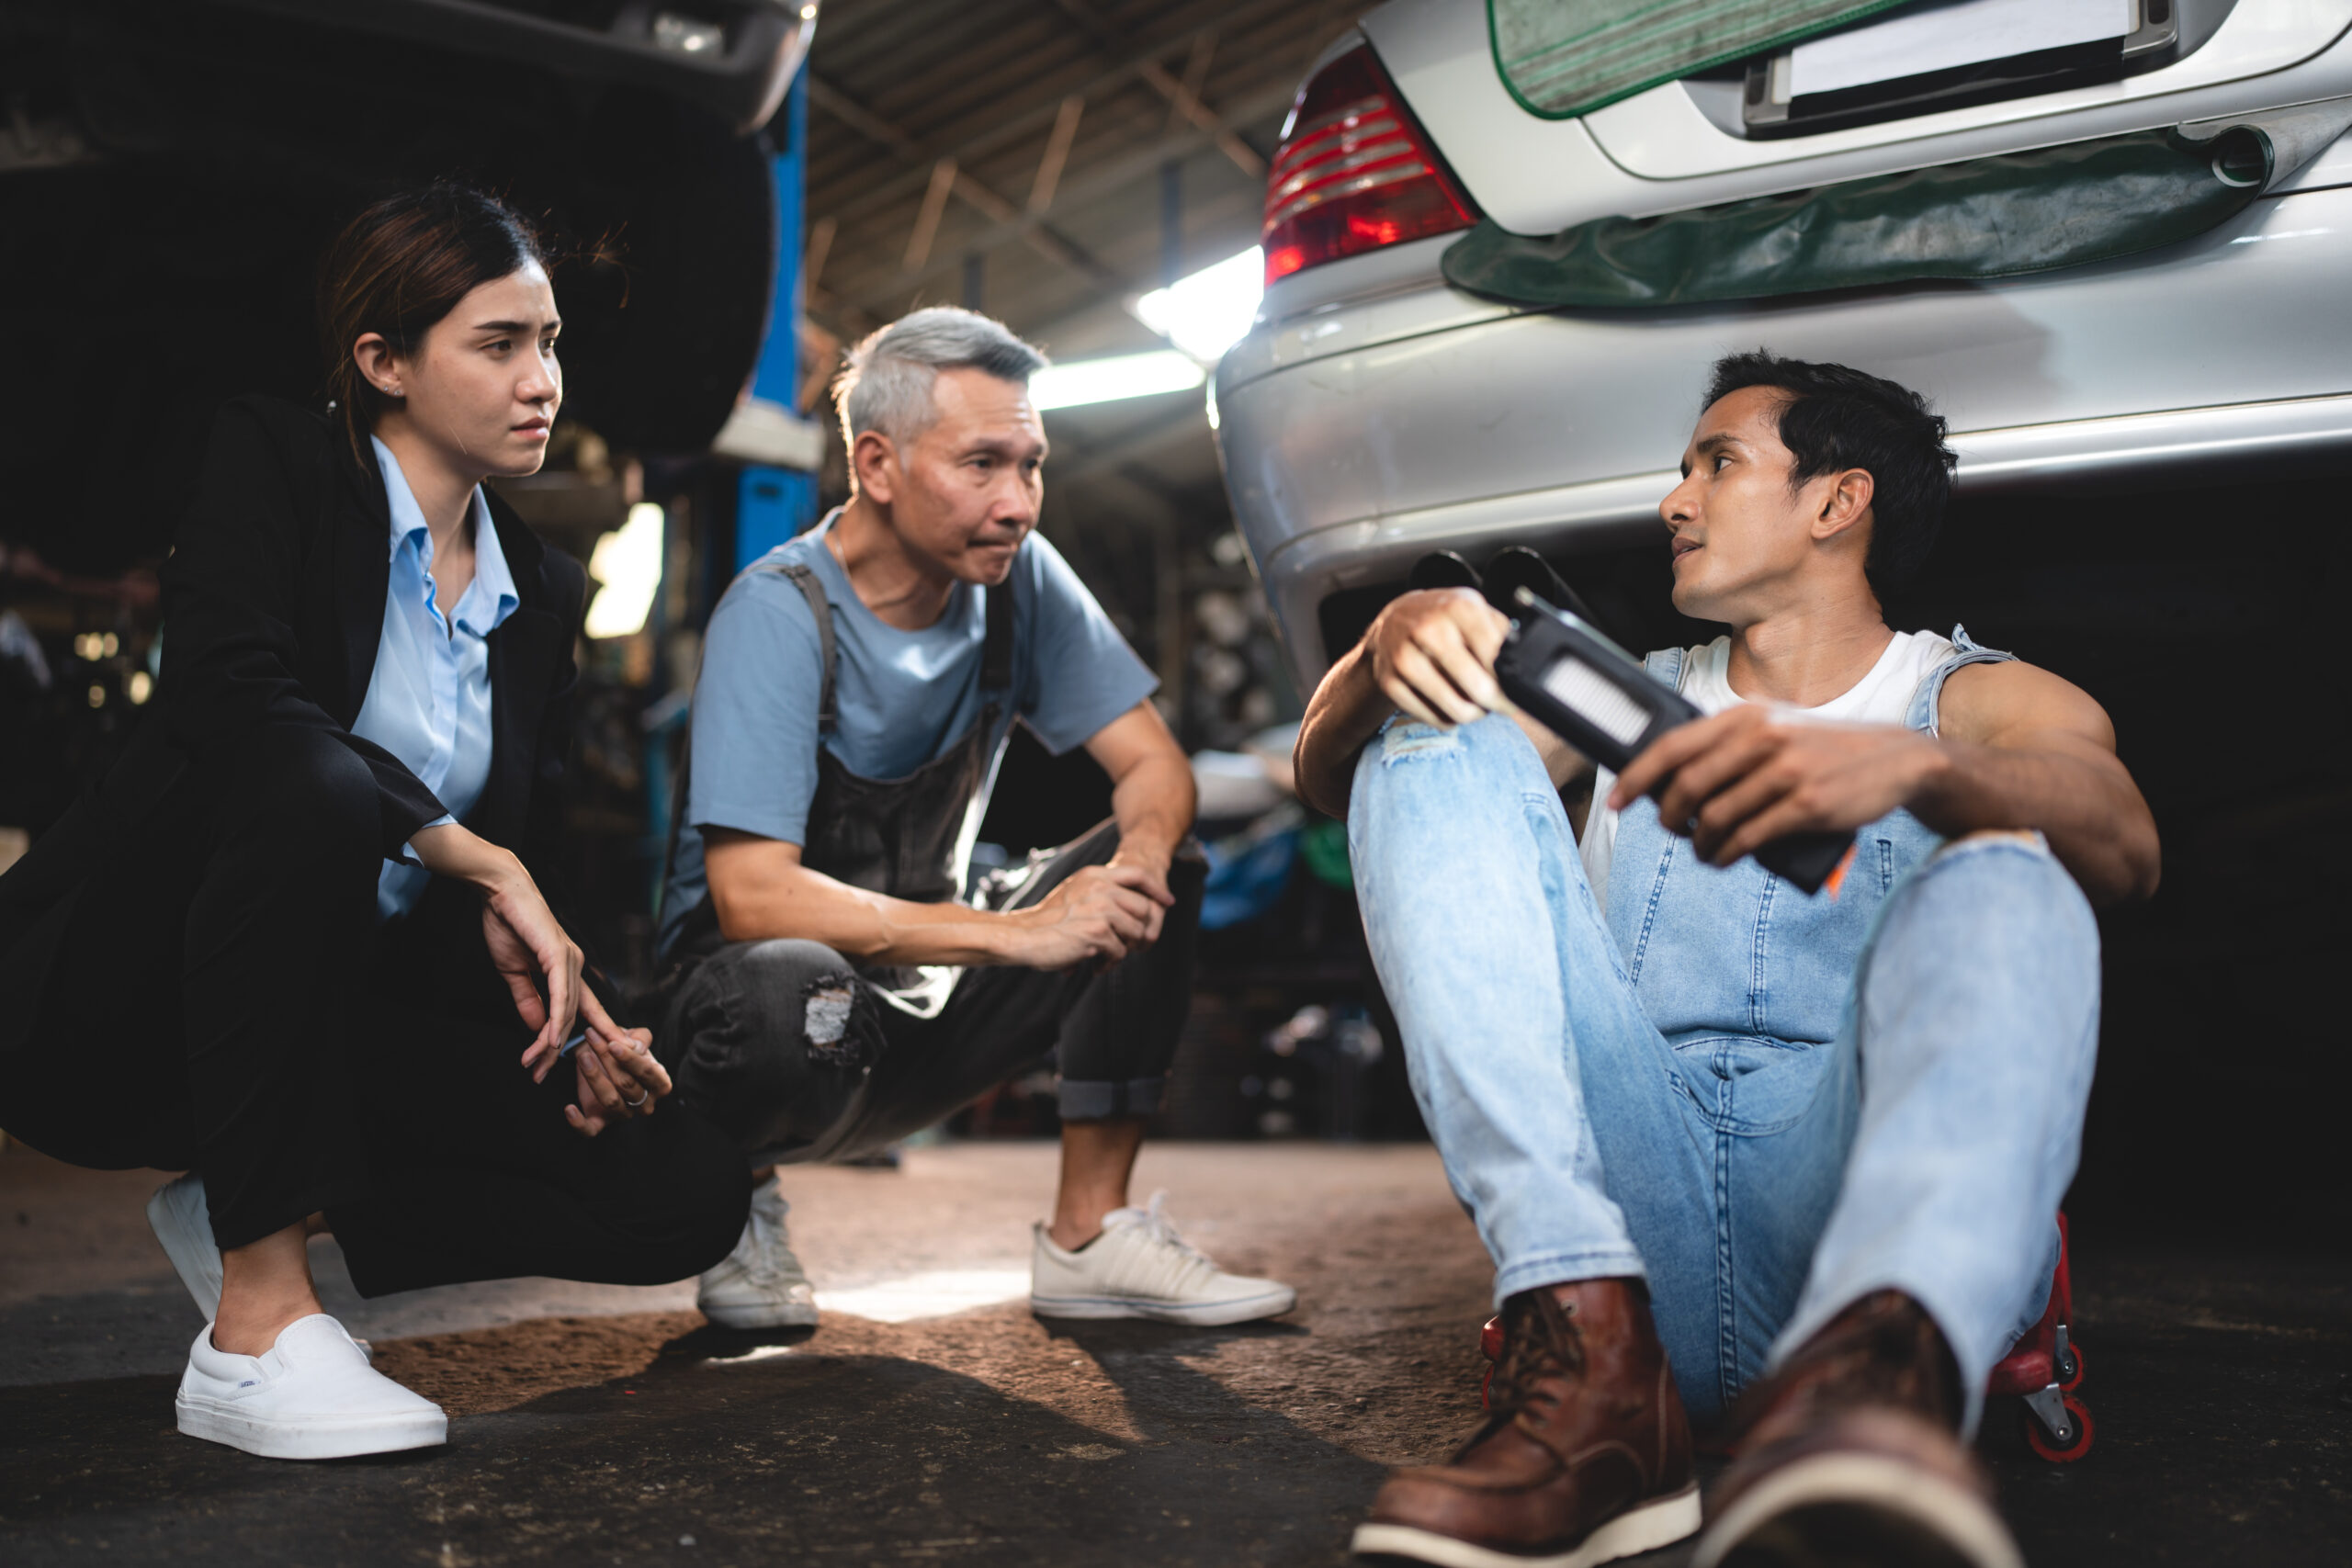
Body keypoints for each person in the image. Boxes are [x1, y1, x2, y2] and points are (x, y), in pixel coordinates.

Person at [1295, 353, 2160, 1568]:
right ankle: (1587, 1358)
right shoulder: (1621, 700)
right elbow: (1340, 784)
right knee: (1425, 747)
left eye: (1719, 462)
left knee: (2014, 861)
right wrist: (1383, 651)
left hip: (1849, 1223)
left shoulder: (1973, 700)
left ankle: (1879, 1382)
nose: (1674, 500)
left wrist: (1918, 772)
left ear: (1835, 501)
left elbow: (2124, 841)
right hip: (1636, 1244)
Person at [0, 185, 749, 1461]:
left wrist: (592, 1019)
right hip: (117, 997)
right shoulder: (277, 465)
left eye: (552, 340)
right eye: (498, 343)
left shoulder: (544, 590)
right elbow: (234, 699)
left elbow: (521, 865)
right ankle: (255, 1328)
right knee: (316, 783)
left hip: (330, 1021)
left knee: (684, 1190)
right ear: (384, 360)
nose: (542, 379)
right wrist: (471, 849)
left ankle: (250, 1202)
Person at [656, 307, 1295, 1329]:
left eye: (1031, 466)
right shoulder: (777, 612)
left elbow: (1155, 768)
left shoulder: (1018, 582)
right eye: (983, 465)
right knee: (787, 984)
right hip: (764, 1029)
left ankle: (1088, 1237)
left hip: (923, 994)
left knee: (1165, 865)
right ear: (877, 463)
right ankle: (735, 1201)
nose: (1018, 504)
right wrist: (1015, 934)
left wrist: (1129, 867)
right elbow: (750, 895)